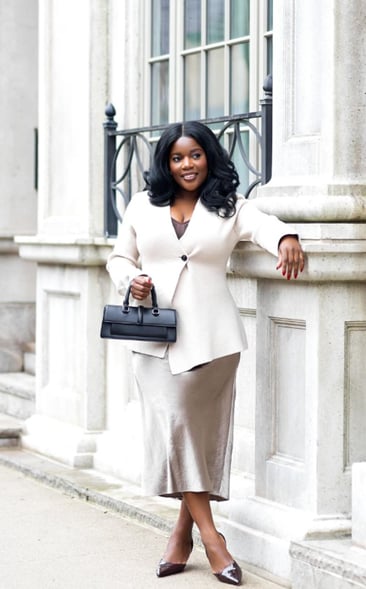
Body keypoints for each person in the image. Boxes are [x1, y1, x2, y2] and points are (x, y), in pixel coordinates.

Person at [106, 121, 304, 586]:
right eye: (177, 158)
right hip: (154, 340)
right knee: (176, 430)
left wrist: (286, 239)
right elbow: (118, 257)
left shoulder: (230, 206)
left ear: (208, 158)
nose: (187, 164)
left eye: (194, 155)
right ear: (165, 164)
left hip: (213, 342)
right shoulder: (141, 205)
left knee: (192, 440)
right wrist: (127, 280)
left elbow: (264, 226)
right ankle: (215, 542)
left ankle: (181, 534)